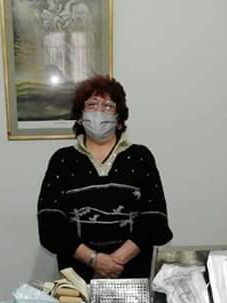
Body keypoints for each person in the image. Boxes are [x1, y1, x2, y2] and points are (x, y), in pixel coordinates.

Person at [37, 75, 172, 281]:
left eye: (108, 106)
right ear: (80, 115)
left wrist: (114, 262)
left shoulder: (140, 157)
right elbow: (50, 223)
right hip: (77, 281)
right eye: (91, 105)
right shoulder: (62, 160)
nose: (99, 111)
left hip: (132, 277)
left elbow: (155, 219)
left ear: (119, 118)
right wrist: (94, 260)